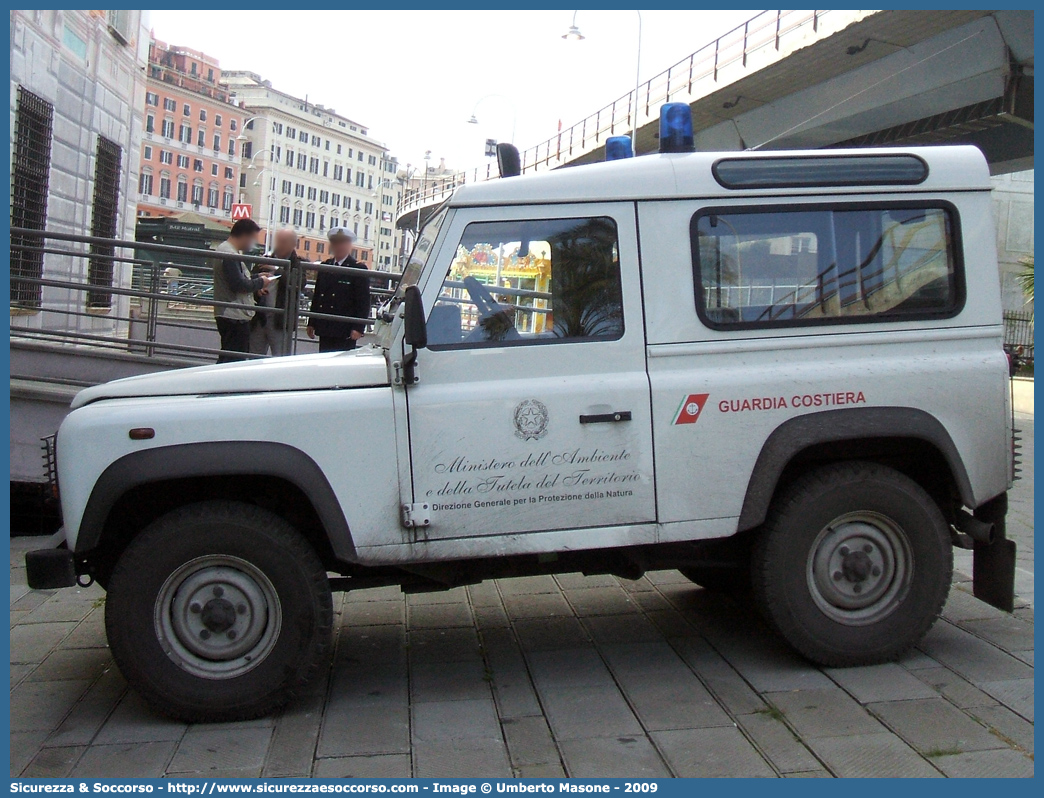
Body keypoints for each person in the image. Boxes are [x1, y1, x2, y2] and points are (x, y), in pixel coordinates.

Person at [212, 218, 270, 363]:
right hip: (234, 315)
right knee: (233, 358)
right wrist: (260, 282)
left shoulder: (226, 250)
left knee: (229, 355)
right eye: (252, 239)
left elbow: (236, 279)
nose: (252, 243)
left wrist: (256, 277)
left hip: (229, 312)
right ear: (244, 235)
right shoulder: (230, 255)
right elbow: (238, 284)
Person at [307, 227, 371, 352]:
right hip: (325, 325)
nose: (339, 246)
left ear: (349, 245)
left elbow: (363, 301)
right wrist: (312, 321)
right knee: (324, 360)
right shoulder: (326, 266)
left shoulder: (357, 268)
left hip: (344, 327)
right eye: (336, 242)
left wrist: (358, 327)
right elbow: (318, 295)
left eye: (343, 242)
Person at [250, 229, 301, 357]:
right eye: (277, 241)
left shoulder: (298, 263)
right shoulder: (264, 260)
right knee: (254, 357)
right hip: (259, 317)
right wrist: (258, 287)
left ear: (293, 244)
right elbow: (250, 280)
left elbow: (298, 283)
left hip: (280, 320)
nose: (279, 245)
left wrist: (277, 269)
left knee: (280, 357)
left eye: (283, 242)